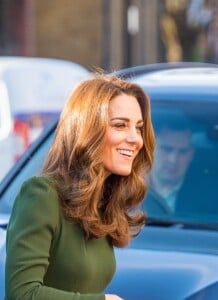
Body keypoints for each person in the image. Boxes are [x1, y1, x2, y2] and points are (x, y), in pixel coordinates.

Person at [5, 73, 155, 300]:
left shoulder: (104, 202)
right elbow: (22, 294)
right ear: (88, 130)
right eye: (120, 125)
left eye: (138, 127)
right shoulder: (42, 195)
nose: (135, 139)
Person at [144, 112, 195, 215]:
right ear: (149, 149)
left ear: (191, 155)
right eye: (167, 149)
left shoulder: (209, 196)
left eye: (182, 152)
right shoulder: (123, 191)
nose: (173, 160)